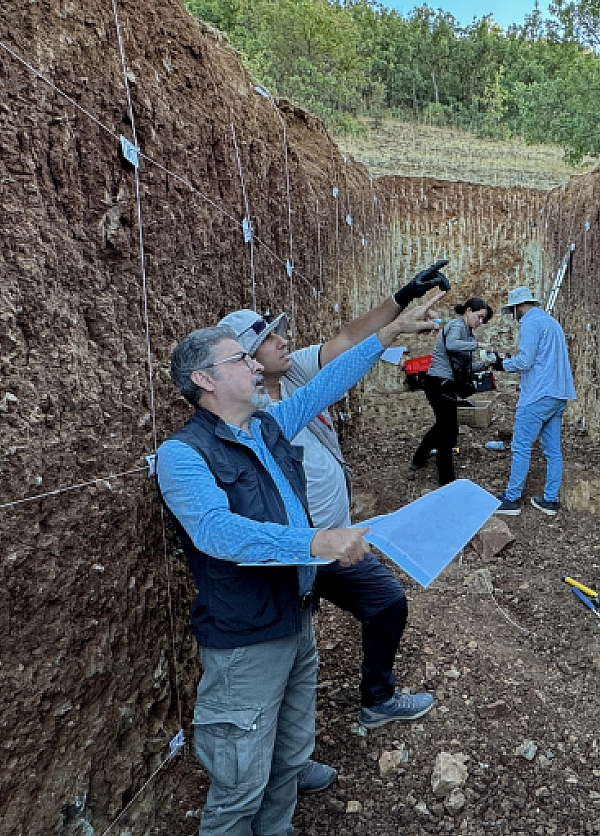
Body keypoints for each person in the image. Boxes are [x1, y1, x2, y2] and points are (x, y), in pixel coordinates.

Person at [156, 282, 440, 836]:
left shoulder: (269, 426)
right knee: (237, 785)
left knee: (286, 759)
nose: (256, 362)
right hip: (245, 643)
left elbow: (330, 377)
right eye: (238, 357)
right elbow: (218, 535)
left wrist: (389, 335)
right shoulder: (182, 456)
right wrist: (315, 540)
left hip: (294, 624)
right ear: (203, 379)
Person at [220, 264, 447, 747]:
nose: (283, 340)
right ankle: (340, 724)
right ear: (244, 360)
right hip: (307, 543)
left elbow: (349, 338)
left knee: (364, 614)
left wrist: (402, 296)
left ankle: (359, 710)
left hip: (334, 533)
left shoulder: (296, 371)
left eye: (280, 333)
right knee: (375, 607)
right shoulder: (248, 411)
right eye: (268, 338)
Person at [489, 285, 576, 516]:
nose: (514, 317)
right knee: (553, 451)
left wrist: (501, 364)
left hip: (538, 394)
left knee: (521, 446)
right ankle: (550, 499)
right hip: (559, 393)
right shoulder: (552, 323)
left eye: (513, 311)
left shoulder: (530, 323)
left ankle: (512, 498)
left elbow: (526, 361)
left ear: (518, 307)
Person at [412, 296, 493, 484]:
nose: (480, 322)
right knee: (448, 429)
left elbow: (468, 364)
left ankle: (419, 459)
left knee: (442, 424)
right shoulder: (457, 326)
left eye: (483, 319)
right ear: (468, 311)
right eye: (479, 317)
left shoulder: (468, 333)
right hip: (438, 382)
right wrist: (479, 345)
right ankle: (446, 478)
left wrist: (489, 363)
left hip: (445, 384)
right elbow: (451, 345)